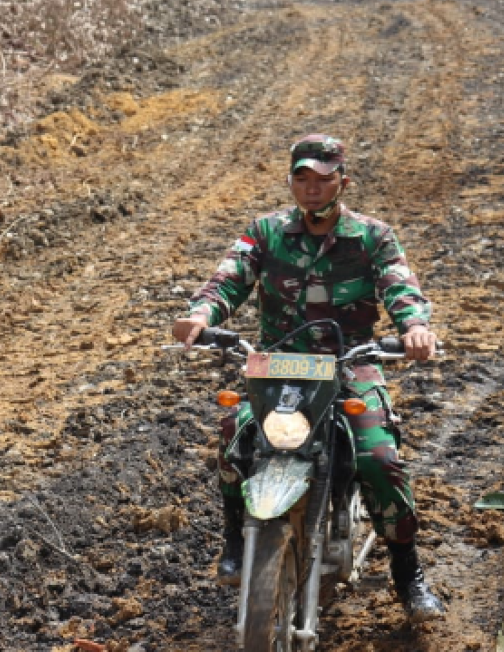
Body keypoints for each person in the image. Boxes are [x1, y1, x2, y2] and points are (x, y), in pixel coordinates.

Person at [171, 133, 446, 623]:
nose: (312, 187)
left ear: (343, 180)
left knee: (379, 459)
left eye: (323, 178)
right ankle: (236, 536)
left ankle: (408, 573)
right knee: (235, 435)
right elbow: (229, 277)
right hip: (277, 362)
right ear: (291, 181)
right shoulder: (267, 231)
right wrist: (200, 314)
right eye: (302, 177)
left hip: (349, 361)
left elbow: (400, 285)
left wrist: (415, 328)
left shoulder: (372, 236)